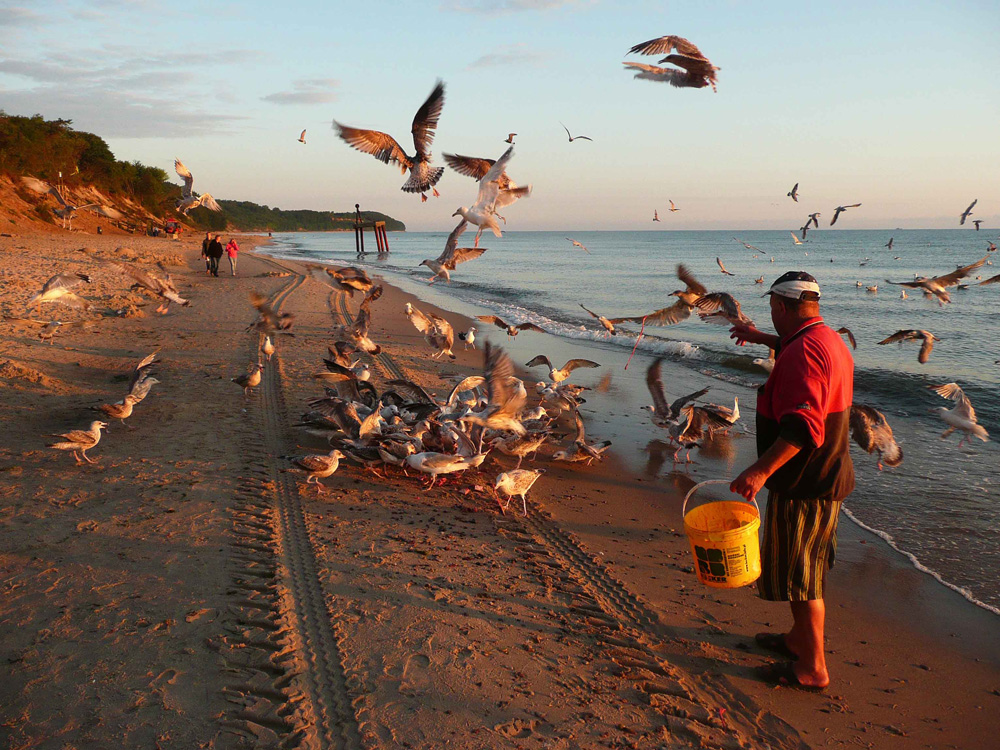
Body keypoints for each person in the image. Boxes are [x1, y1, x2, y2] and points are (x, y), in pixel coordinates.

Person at [728, 271, 854, 692]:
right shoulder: (828, 338)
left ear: (781, 306)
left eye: (770, 308)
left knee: (803, 575)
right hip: (827, 473)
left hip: (805, 481)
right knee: (807, 565)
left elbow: (802, 426)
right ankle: (799, 639)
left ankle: (813, 668)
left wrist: (759, 470)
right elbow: (795, 346)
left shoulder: (804, 353)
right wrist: (761, 337)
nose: (770, 313)